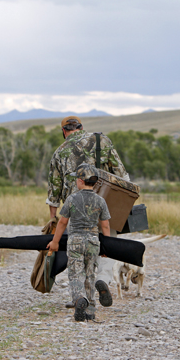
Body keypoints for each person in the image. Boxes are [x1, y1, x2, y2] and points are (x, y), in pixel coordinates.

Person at [46, 115, 130, 308]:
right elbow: (123, 176)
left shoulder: (59, 152)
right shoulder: (102, 141)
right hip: (104, 206)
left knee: (78, 256)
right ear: (81, 127)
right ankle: (103, 279)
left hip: (75, 213)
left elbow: (54, 191)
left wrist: (52, 218)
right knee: (108, 246)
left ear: (64, 131)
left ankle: (81, 297)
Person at [47, 164, 111, 321]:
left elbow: (62, 223)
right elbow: (105, 225)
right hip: (93, 242)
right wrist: (107, 245)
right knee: (90, 274)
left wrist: (55, 242)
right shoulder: (100, 200)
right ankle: (90, 310)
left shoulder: (72, 199)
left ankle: (79, 299)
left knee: (76, 274)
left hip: (75, 241)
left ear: (81, 181)